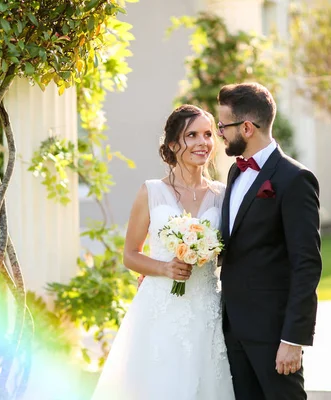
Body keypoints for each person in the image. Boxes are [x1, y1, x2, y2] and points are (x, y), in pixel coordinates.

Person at [90, 104, 235, 400]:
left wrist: (206, 253)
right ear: (172, 144)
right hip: (160, 311)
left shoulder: (223, 194)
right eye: (191, 135)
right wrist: (165, 268)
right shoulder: (151, 192)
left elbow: (230, 251)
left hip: (206, 308)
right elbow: (130, 254)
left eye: (208, 134)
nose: (202, 143)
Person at [217, 82, 322, 400]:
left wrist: (293, 338)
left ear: (246, 127)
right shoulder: (235, 174)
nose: (220, 132)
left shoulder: (294, 179)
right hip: (233, 328)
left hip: (274, 335)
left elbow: (307, 264)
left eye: (223, 125)